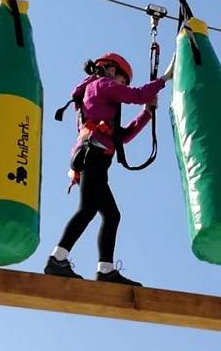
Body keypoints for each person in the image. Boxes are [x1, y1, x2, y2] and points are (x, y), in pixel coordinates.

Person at [44, 51, 174, 286]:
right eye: (123, 82)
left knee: (110, 215)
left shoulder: (99, 95)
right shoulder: (101, 85)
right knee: (88, 210)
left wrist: (146, 113)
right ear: (111, 71)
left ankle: (105, 269)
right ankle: (57, 258)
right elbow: (138, 94)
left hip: (95, 158)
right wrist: (164, 79)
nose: (122, 87)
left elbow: (121, 137)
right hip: (92, 156)